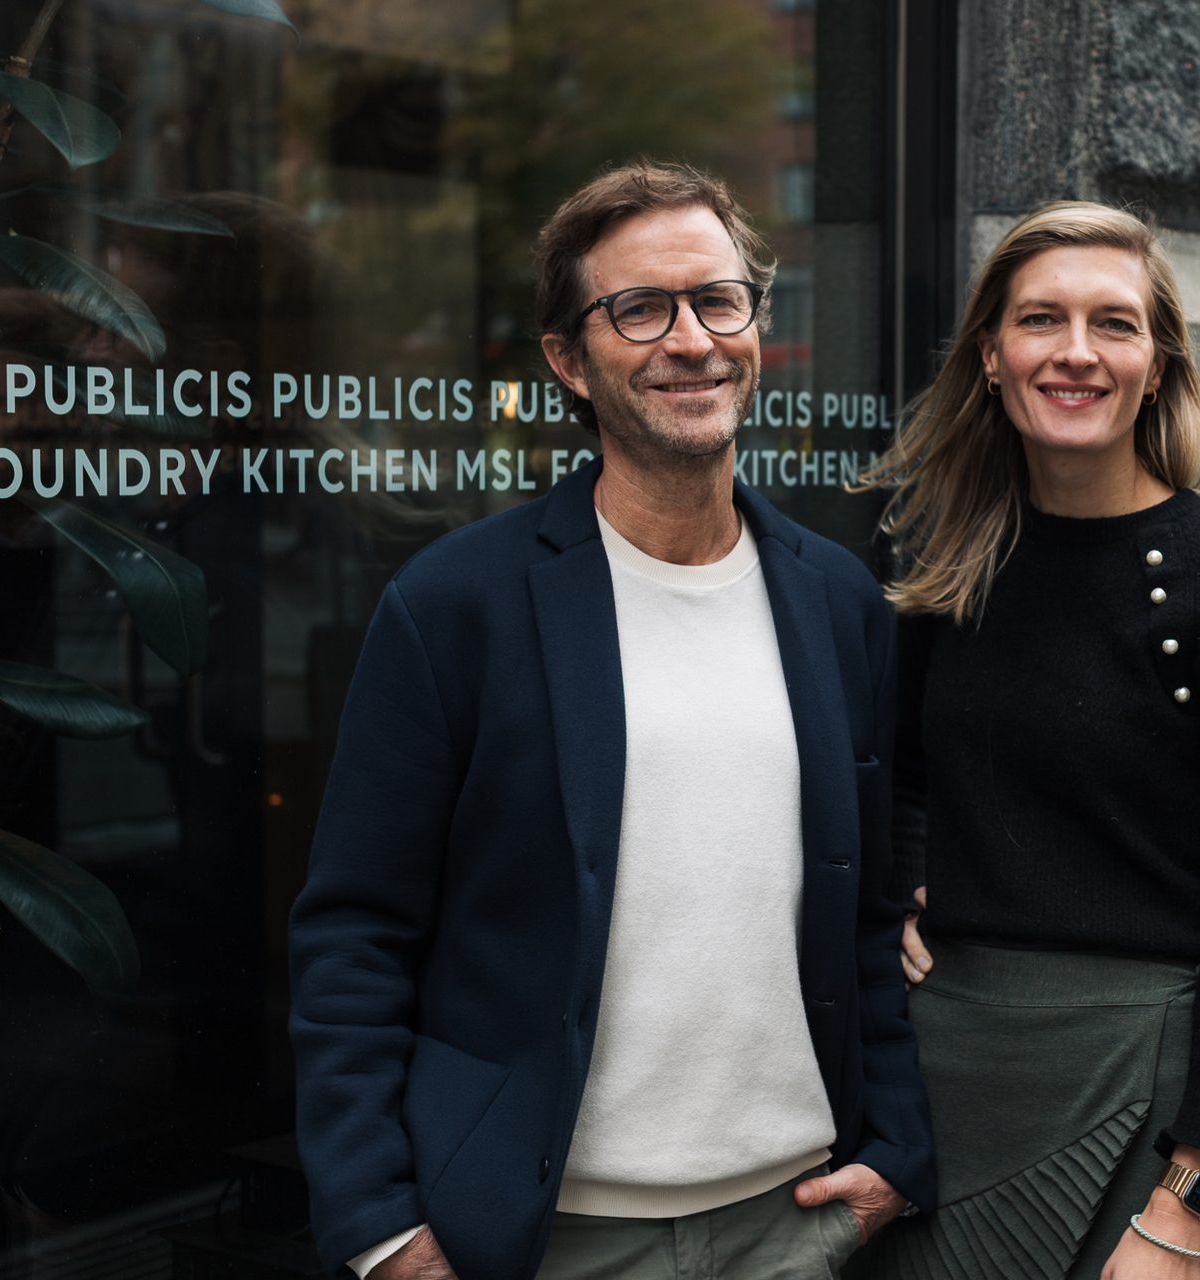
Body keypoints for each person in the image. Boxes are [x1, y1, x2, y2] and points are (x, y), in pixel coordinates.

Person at [288, 160, 934, 1280]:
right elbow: (355, 935)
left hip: (800, 1223)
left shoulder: (835, 599)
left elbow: (870, 909)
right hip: (539, 1238)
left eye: (717, 299)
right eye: (638, 308)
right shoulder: (455, 606)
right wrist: (384, 1229)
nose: (689, 339)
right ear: (568, 359)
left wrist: (897, 1151)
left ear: (755, 325)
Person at [852, 201, 1200, 1280]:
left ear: (1156, 364)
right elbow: (905, 776)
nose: (1076, 352)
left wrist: (1194, 1194)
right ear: (991, 354)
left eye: (1113, 324)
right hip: (951, 1078)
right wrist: (909, 885)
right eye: (1040, 320)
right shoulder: (941, 560)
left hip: (1154, 1089)